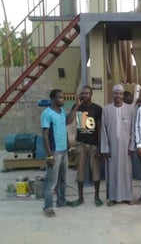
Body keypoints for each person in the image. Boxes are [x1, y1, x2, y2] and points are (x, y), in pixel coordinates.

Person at [41, 89, 80, 217]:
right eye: (60, 98)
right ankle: (48, 207)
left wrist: (77, 106)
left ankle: (61, 201)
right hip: (55, 152)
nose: (63, 99)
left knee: (63, 180)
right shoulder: (47, 114)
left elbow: (68, 122)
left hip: (63, 151)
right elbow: (45, 135)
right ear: (53, 99)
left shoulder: (61, 111)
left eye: (63, 97)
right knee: (51, 182)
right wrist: (49, 155)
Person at [101, 84, 135, 206]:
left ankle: (128, 196)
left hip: (126, 148)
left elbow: (133, 129)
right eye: (116, 93)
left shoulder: (130, 109)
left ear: (123, 95)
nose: (118, 96)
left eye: (120, 93)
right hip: (112, 147)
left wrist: (132, 145)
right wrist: (105, 148)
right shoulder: (106, 109)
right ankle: (112, 198)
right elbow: (103, 131)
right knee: (112, 172)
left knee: (127, 172)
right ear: (113, 94)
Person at [72, 85, 103, 206]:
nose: (85, 95)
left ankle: (97, 196)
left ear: (91, 94)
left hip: (93, 144)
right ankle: (80, 198)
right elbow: (69, 121)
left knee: (95, 170)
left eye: (87, 93)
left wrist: (100, 145)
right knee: (80, 171)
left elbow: (99, 128)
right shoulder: (78, 108)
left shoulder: (97, 109)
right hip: (81, 143)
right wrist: (77, 106)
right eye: (83, 93)